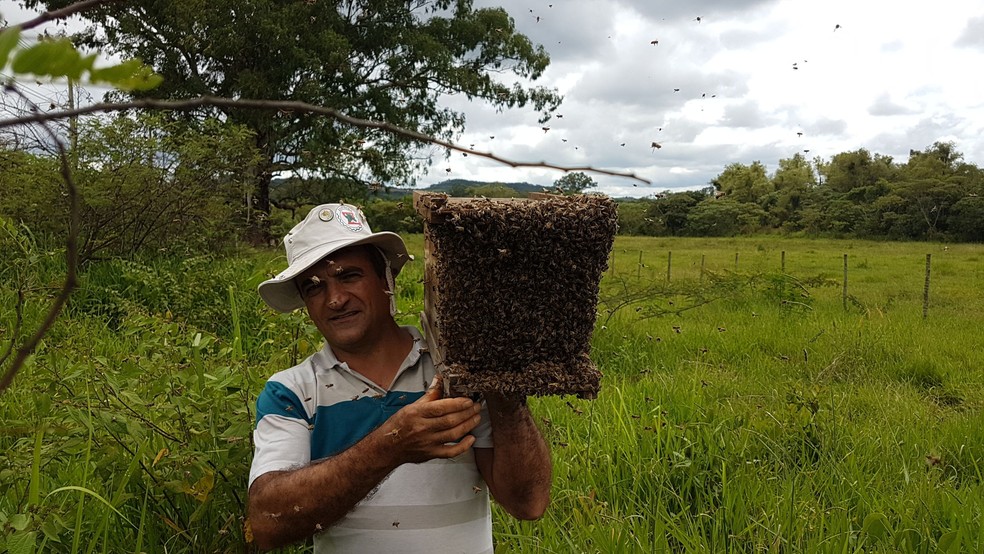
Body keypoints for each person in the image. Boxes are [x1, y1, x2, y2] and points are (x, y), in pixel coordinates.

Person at [248, 203, 552, 552]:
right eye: (314, 287)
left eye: (349, 275)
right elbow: (267, 521)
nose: (335, 299)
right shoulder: (292, 391)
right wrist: (393, 444)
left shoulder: (455, 372)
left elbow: (527, 503)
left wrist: (506, 396)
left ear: (385, 279)